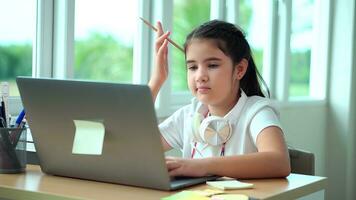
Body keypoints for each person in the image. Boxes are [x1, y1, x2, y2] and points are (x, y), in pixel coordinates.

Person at [148, 20, 291, 179]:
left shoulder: (257, 111)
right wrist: (156, 80)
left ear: (239, 69)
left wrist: (201, 166)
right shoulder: (188, 115)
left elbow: (279, 162)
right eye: (193, 67)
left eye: (212, 65)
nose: (200, 76)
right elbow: (135, 147)